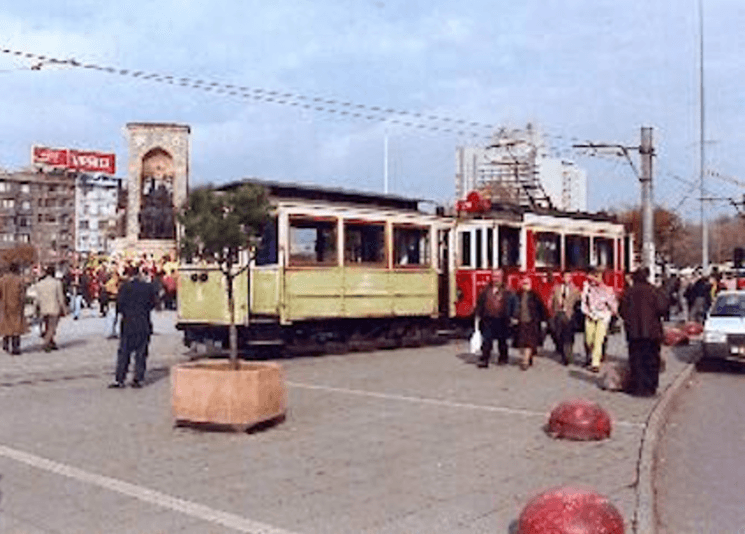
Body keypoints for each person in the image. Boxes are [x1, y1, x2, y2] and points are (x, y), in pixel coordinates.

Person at [619, 267, 669, 396]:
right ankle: (650, 387)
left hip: (634, 333)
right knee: (651, 360)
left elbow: (622, 311)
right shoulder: (653, 291)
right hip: (652, 333)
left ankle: (638, 388)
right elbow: (662, 308)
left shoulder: (628, 292)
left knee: (636, 360)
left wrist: (630, 321)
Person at [109, 264, 158, 389]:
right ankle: (138, 379)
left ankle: (120, 379)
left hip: (128, 323)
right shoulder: (148, 287)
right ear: (140, 274)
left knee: (124, 352)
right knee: (141, 353)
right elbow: (153, 304)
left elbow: (119, 305)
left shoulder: (125, 287)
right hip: (143, 323)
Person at [474, 269, 515, 368]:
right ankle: (484, 359)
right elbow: (480, 303)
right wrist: (477, 314)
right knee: (487, 340)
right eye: (494, 277)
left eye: (497, 277)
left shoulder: (507, 290)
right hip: (488, 318)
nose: (495, 279)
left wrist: (513, 316)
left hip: (502, 318)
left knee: (502, 340)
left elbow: (513, 303)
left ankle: (503, 358)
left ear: (502, 278)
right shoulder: (485, 290)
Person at [581, 268, 618, 373]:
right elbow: (584, 301)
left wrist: (613, 312)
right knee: (589, 339)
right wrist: (586, 312)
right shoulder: (587, 287)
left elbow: (612, 303)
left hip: (603, 316)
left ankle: (595, 363)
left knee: (598, 339)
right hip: (590, 315)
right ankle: (594, 354)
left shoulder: (607, 289)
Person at [512, 276, 547, 370]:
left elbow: (541, 308)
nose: (525, 286)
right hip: (520, 322)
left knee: (529, 342)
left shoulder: (535, 295)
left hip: (532, 322)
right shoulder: (517, 295)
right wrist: (513, 317)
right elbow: (513, 307)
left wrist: (544, 320)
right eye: (523, 283)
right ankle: (528, 357)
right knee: (521, 343)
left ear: (530, 285)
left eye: (527, 284)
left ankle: (525, 361)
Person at [32, 265, 68, 352]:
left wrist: (35, 309)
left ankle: (52, 343)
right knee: (52, 327)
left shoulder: (39, 284)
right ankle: (46, 343)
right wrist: (64, 308)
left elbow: (36, 299)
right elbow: (60, 297)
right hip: (54, 307)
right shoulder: (57, 283)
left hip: (43, 308)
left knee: (47, 326)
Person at [549, 272, 581, 365]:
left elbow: (580, 299)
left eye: (569, 276)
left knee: (568, 335)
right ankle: (562, 351)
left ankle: (567, 356)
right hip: (558, 313)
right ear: (562, 278)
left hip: (569, 314)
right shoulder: (556, 288)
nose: (567, 278)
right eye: (565, 276)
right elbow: (551, 300)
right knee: (559, 334)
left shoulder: (574, 289)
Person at [0, 262, 27, 355]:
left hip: (4, 305)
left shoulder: (2, 280)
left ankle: (6, 343)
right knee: (16, 327)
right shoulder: (19, 280)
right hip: (16, 305)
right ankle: (15, 347)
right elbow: (22, 294)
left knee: (7, 326)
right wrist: (23, 303)